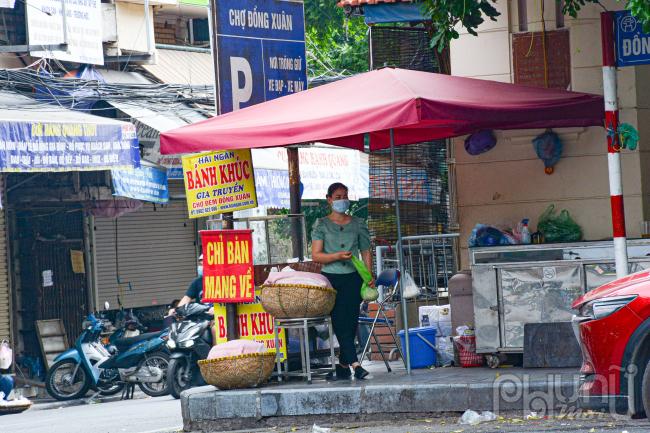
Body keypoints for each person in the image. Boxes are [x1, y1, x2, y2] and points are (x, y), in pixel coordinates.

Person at [311, 182, 374, 380]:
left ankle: (343, 365)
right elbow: (316, 255)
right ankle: (356, 364)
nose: (342, 200)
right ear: (329, 199)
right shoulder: (321, 224)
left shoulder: (357, 223)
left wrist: (368, 275)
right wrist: (337, 256)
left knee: (351, 320)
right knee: (338, 319)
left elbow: (366, 251)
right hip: (331, 278)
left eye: (344, 196)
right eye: (337, 197)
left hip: (354, 277)